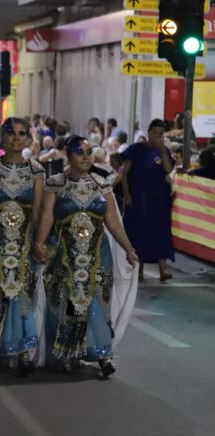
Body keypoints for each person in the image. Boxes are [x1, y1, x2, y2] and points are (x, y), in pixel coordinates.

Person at [34, 136, 139, 377]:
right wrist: (39, 243)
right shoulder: (56, 183)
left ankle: (102, 354)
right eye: (80, 152)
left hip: (98, 256)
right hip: (65, 256)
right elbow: (47, 216)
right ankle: (68, 352)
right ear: (68, 155)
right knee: (68, 304)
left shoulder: (102, 184)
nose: (86, 157)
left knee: (97, 305)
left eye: (89, 152)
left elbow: (112, 221)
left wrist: (129, 248)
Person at [0, 117, 44, 373]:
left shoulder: (36, 170)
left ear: (27, 139)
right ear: (3, 137)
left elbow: (37, 211)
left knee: (22, 293)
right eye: (11, 133)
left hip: (22, 243)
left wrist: (38, 243)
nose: (16, 138)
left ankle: (23, 351)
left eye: (21, 133)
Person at [121, 119, 175, 282]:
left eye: (161, 134)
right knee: (139, 232)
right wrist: (126, 193)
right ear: (148, 133)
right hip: (138, 197)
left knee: (160, 232)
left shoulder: (164, 151)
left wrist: (163, 151)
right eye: (155, 133)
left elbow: (168, 170)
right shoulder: (135, 149)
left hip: (158, 198)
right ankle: (139, 270)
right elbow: (124, 173)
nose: (158, 136)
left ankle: (163, 271)